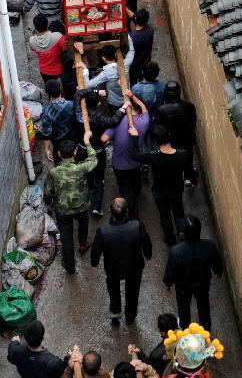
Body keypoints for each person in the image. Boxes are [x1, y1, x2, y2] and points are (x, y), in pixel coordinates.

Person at [91, 196, 152, 324]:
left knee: (113, 289)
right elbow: (146, 243)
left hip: (113, 268)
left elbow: (96, 250)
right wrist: (148, 254)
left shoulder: (104, 231)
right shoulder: (137, 226)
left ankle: (115, 312)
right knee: (133, 291)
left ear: (110, 211)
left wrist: (94, 262)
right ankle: (130, 315)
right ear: (127, 211)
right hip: (134, 267)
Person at [43, 132, 97, 274]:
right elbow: (94, 159)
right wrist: (87, 142)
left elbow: (47, 193)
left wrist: (48, 203)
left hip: (62, 210)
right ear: (75, 152)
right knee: (83, 224)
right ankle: (83, 245)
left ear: (59, 154)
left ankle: (70, 266)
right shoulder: (82, 168)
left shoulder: (53, 172)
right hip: (81, 206)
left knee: (66, 237)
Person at [130, 123, 186, 245]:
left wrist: (135, 137)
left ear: (155, 140)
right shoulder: (182, 155)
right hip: (176, 188)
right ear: (169, 136)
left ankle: (169, 238)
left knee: (164, 214)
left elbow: (134, 155)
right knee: (178, 210)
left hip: (160, 190)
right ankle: (183, 232)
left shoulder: (153, 157)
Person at [164, 216, 223, 330]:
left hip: (183, 287)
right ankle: (206, 331)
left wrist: (168, 283)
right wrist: (218, 272)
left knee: (183, 310)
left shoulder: (176, 251)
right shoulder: (209, 246)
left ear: (184, 234)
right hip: (202, 285)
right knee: (203, 308)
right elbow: (217, 264)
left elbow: (170, 271)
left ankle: (185, 329)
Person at [75, 88, 126, 216]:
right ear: (98, 104)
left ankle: (89, 188)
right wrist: (123, 107)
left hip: (82, 149)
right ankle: (96, 206)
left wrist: (96, 91)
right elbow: (113, 120)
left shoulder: (78, 112)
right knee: (99, 177)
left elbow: (78, 93)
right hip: (97, 150)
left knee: (86, 171)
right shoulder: (99, 117)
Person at [102, 92, 150, 218]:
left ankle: (130, 213)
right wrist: (132, 96)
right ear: (138, 113)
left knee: (125, 190)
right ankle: (137, 191)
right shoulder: (143, 122)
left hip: (119, 165)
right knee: (135, 180)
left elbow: (104, 138)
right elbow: (144, 108)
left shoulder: (117, 122)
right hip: (135, 162)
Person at [153, 81, 198, 186]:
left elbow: (158, 128)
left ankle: (176, 179)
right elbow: (193, 123)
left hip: (171, 140)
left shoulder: (161, 110)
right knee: (188, 159)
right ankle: (189, 178)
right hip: (187, 138)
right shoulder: (190, 106)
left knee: (172, 160)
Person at [81, 41, 135, 110]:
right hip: (127, 99)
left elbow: (88, 85)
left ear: (103, 58)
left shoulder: (105, 74)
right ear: (115, 54)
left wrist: (85, 69)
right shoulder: (126, 65)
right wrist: (128, 35)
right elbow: (131, 51)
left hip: (114, 104)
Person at [40, 78, 76, 162]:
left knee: (59, 162)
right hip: (72, 139)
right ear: (60, 88)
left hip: (57, 142)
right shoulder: (71, 105)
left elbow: (46, 132)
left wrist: (46, 149)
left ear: (47, 93)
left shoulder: (46, 111)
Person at [130, 313, 178, 377]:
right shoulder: (185, 338)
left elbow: (150, 369)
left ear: (163, 333)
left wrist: (140, 354)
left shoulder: (156, 355)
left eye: (159, 329)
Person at [30, 14, 64, 84]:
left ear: (35, 27)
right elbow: (64, 49)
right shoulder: (57, 37)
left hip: (44, 71)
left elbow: (35, 50)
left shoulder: (32, 41)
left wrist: (35, 35)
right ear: (47, 24)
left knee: (49, 87)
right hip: (58, 70)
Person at [128, 8, 153, 86]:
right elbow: (133, 16)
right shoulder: (150, 30)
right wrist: (124, 7)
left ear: (136, 19)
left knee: (133, 82)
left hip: (134, 65)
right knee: (143, 80)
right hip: (145, 62)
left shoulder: (132, 38)